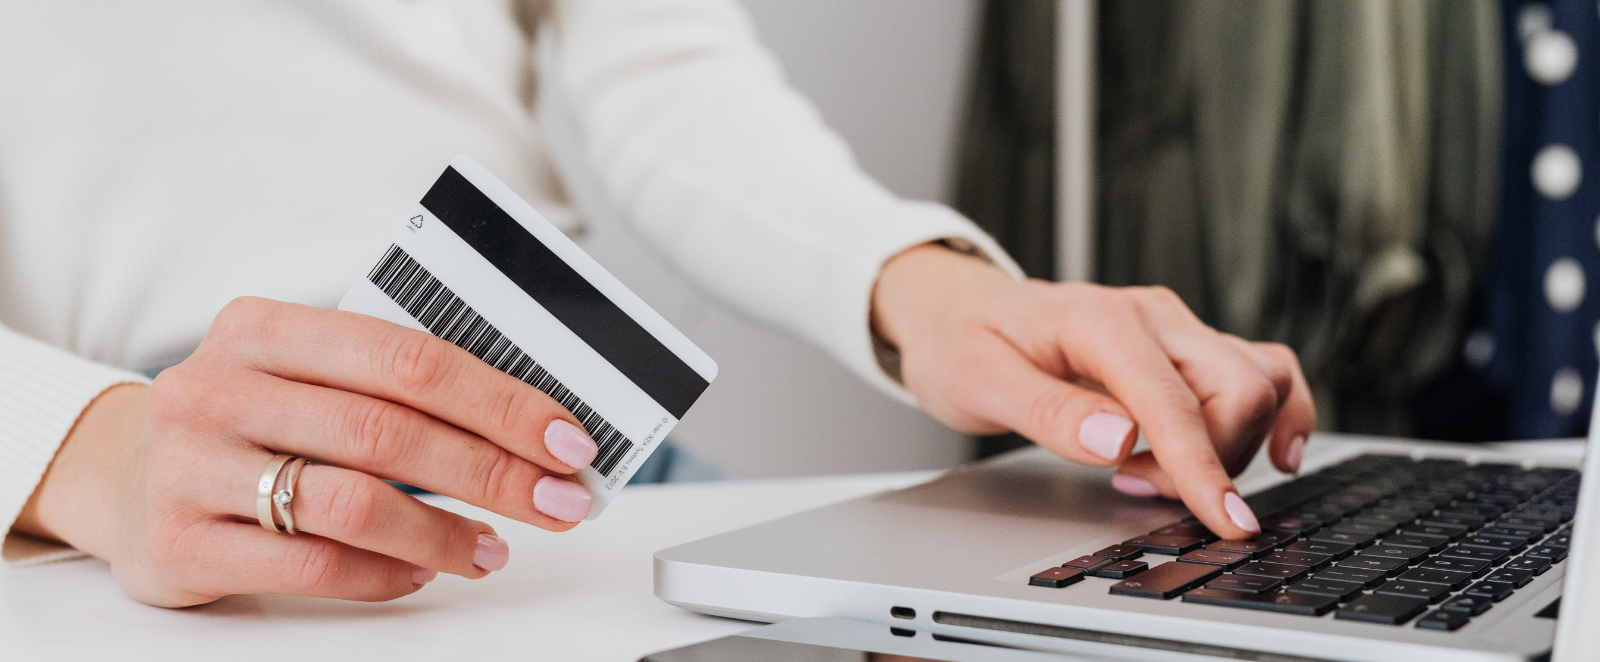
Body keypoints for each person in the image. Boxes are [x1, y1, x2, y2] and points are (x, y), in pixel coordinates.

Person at [0, 0, 1314, 609]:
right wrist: (86, 451)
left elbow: (663, 66)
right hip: (148, 510)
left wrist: (921, 285)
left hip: (573, 469)